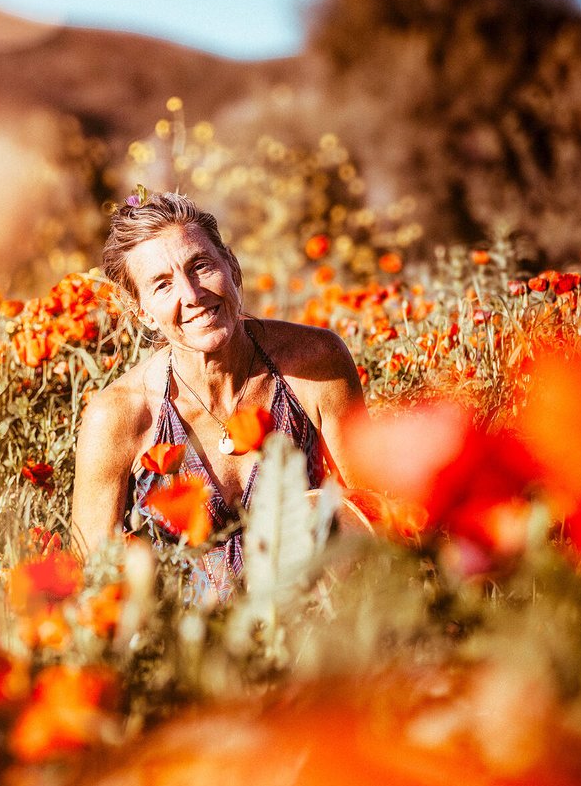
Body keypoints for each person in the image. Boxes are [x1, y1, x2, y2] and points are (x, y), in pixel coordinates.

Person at [71, 191, 365, 597]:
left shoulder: (315, 363)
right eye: (161, 285)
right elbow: (95, 577)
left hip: (315, 629)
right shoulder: (120, 414)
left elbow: (372, 511)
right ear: (141, 311)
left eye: (201, 266)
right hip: (194, 650)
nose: (192, 295)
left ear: (231, 265)